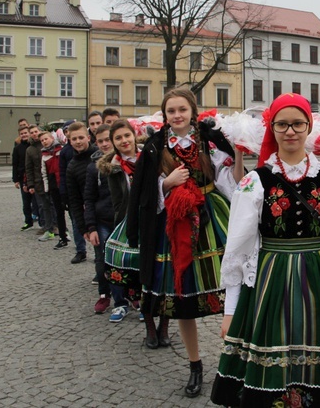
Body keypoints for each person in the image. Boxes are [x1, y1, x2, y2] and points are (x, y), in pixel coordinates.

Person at [210, 93, 320, 407]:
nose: (291, 131)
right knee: (276, 342)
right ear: (273, 128)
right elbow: (238, 251)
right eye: (282, 124)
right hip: (273, 277)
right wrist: (230, 310)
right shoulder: (257, 181)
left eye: (298, 123)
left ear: (309, 126)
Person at [127, 88, 243, 398]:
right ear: (164, 116)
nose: (177, 115)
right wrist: (167, 183)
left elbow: (230, 181)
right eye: (170, 111)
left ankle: (235, 362)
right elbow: (141, 193)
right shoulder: (154, 147)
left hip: (213, 219)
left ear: (192, 111)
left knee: (232, 292)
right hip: (175, 226)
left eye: (182, 109)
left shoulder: (211, 140)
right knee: (183, 302)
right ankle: (195, 365)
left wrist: (240, 154)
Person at [97, 119, 145, 324]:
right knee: (116, 260)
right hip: (125, 219)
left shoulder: (148, 156)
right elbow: (117, 200)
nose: (124, 140)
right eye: (118, 138)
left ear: (134, 135)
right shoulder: (113, 167)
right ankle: (120, 303)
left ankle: (145, 303)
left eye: (127, 135)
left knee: (146, 263)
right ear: (113, 142)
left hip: (150, 217)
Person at [83, 124, 117, 314]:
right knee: (102, 259)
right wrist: (90, 227)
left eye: (108, 140)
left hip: (121, 219)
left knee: (124, 259)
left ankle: (130, 295)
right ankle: (104, 294)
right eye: (101, 141)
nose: (105, 144)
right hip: (101, 220)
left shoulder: (124, 162)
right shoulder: (93, 168)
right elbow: (88, 198)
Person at [65, 122, 98, 264]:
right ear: (70, 141)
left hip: (108, 208)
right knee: (99, 250)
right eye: (74, 139)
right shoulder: (72, 166)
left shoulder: (99, 155)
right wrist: (82, 226)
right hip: (91, 211)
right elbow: (75, 199)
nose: (78, 142)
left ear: (88, 137)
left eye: (81, 137)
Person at [39, 130, 71, 248]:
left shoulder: (61, 151)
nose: (44, 142)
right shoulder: (44, 156)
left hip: (64, 184)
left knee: (72, 212)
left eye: (46, 139)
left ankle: (77, 235)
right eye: (42, 140)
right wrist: (46, 188)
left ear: (52, 138)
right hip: (54, 187)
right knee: (59, 212)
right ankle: (63, 236)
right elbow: (44, 173)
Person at [24, 125, 51, 238]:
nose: (34, 134)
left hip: (49, 179)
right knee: (41, 205)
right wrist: (30, 184)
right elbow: (28, 168)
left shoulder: (47, 145)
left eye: (36, 131)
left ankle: (55, 225)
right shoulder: (30, 149)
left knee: (52, 204)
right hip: (38, 181)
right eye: (32, 132)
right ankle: (44, 225)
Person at [12, 126, 33, 231]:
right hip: (22, 177)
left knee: (38, 202)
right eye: (22, 134)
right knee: (26, 202)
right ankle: (28, 221)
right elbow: (14, 164)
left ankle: (42, 221)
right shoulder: (17, 148)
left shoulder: (33, 145)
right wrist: (15, 179)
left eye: (25, 133)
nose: (24, 135)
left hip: (33, 176)